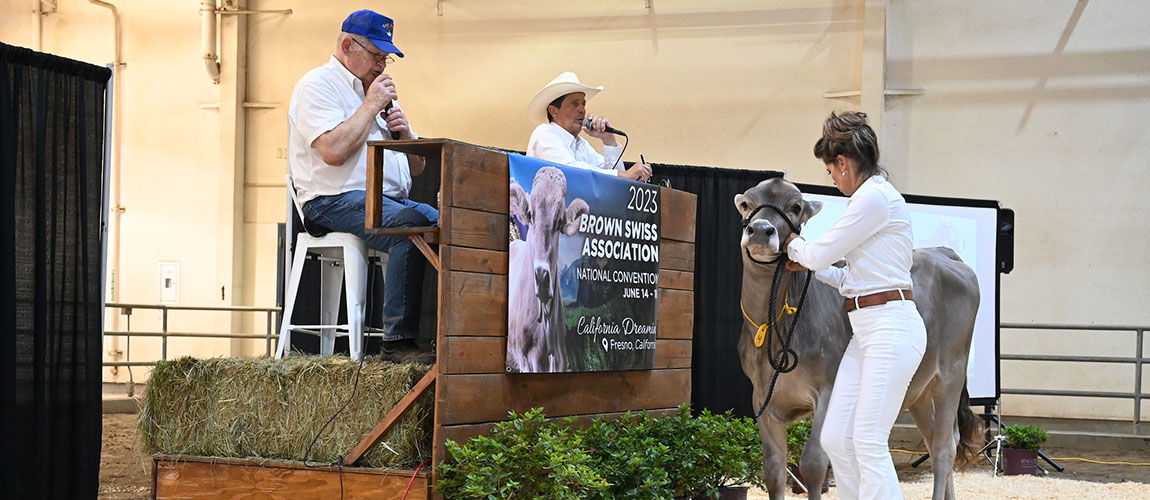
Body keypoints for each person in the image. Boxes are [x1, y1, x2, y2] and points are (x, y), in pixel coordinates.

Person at [783, 111, 925, 500]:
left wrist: (791, 241)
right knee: (835, 437)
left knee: (867, 440)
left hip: (891, 329)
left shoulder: (874, 198)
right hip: (867, 331)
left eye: (830, 171)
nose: (832, 178)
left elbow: (818, 252)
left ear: (842, 163)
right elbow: (848, 277)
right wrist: (812, 261)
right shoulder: (872, 197)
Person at [287, 9, 436, 362]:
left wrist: (406, 135)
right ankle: (396, 343)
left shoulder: (377, 96)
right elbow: (333, 152)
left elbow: (416, 168)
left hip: (386, 199)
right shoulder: (318, 86)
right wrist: (370, 106)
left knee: (448, 224)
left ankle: (443, 332)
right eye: (376, 55)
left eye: (386, 58)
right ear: (346, 46)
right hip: (330, 200)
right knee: (409, 225)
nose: (381, 65)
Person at [525, 72, 652, 181]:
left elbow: (615, 182)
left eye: (583, 104)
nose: (582, 110)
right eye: (574, 104)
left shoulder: (582, 145)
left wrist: (609, 140)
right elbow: (569, 171)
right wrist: (625, 175)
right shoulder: (544, 133)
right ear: (554, 111)